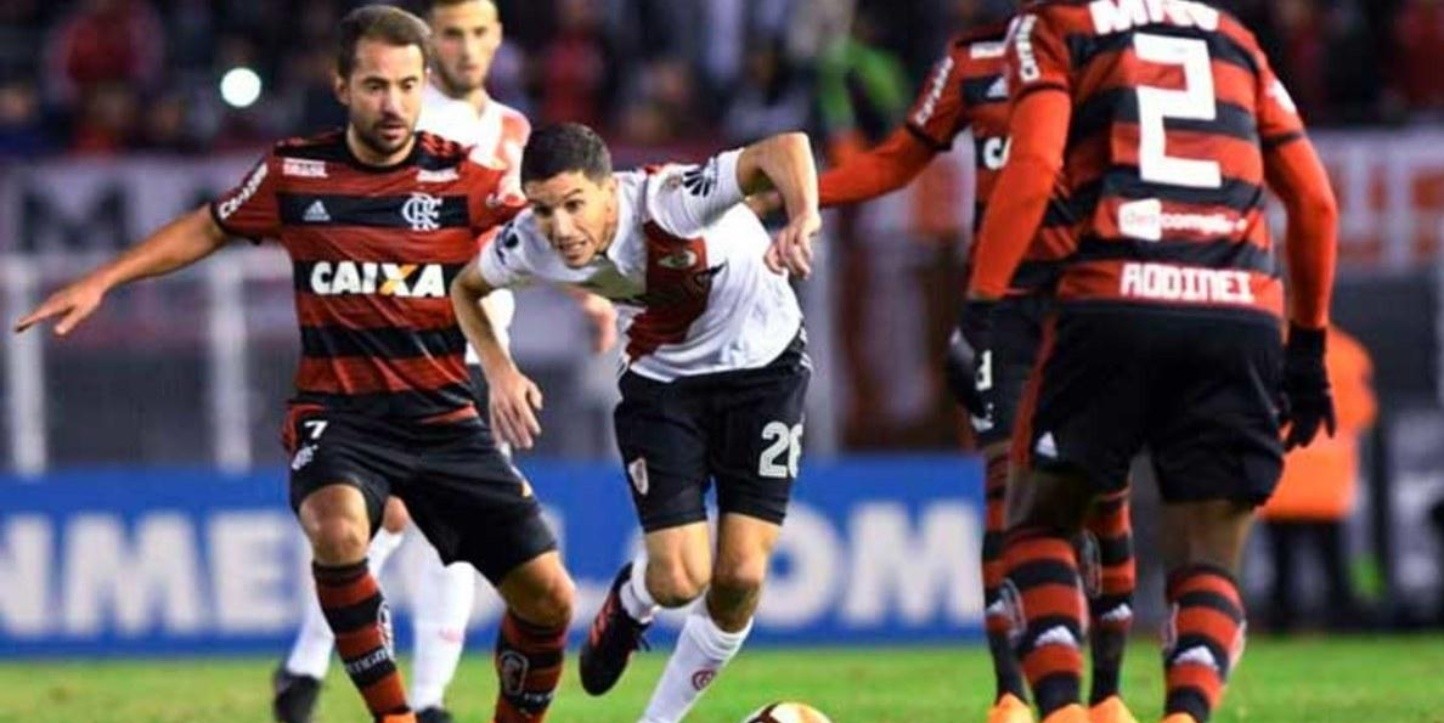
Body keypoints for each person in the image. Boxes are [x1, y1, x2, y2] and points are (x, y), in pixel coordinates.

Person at [16, 7, 574, 723]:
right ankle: (397, 715)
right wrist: (104, 278)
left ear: (424, 82)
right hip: (339, 416)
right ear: (341, 84)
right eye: (375, 85)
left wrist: (593, 288)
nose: (393, 103)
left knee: (550, 596)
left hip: (444, 416)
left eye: (407, 85)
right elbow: (209, 225)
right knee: (342, 530)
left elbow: (545, 230)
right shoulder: (296, 172)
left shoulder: (466, 177)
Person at [957, 2, 1339, 722]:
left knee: (1039, 520)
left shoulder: (1061, 23)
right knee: (1209, 552)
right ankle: (1185, 715)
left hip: (1113, 295)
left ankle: (1067, 710)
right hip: (1239, 307)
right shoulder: (1236, 40)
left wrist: (982, 305)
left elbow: (1035, 164)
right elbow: (1315, 202)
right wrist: (1308, 345)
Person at [756, 8, 1138, 721]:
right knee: (1004, 489)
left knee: (1102, 496)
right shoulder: (972, 61)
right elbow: (899, 157)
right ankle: (1009, 694)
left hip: (1094, 296)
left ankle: (1109, 693)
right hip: (1006, 306)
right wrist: (806, 199)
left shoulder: (1113, 47)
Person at [271, 3, 612, 721]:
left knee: (455, 541)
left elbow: (534, 226)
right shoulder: (410, 122)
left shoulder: (515, 131)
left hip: (476, 355)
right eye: (452, 33)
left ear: (498, 39)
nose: (467, 47)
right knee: (384, 516)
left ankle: (420, 695)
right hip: (404, 351)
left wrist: (586, 292)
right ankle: (314, 662)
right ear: (431, 45)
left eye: (480, 32)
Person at [451, 122, 820, 723]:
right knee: (679, 579)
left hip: (765, 372)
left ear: (608, 191)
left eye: (574, 205)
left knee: (739, 578)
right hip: (663, 385)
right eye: (544, 210)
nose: (561, 229)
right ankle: (634, 597)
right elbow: (466, 289)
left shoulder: (673, 201)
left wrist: (804, 217)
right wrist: (501, 371)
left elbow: (787, 148)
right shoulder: (529, 242)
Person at [1260, 323, 1376, 631]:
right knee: (1333, 562)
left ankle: (1281, 622)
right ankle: (1343, 621)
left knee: (1282, 566)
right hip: (1327, 479)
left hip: (1281, 479)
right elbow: (1363, 412)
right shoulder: (1349, 353)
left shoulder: (1267, 348)